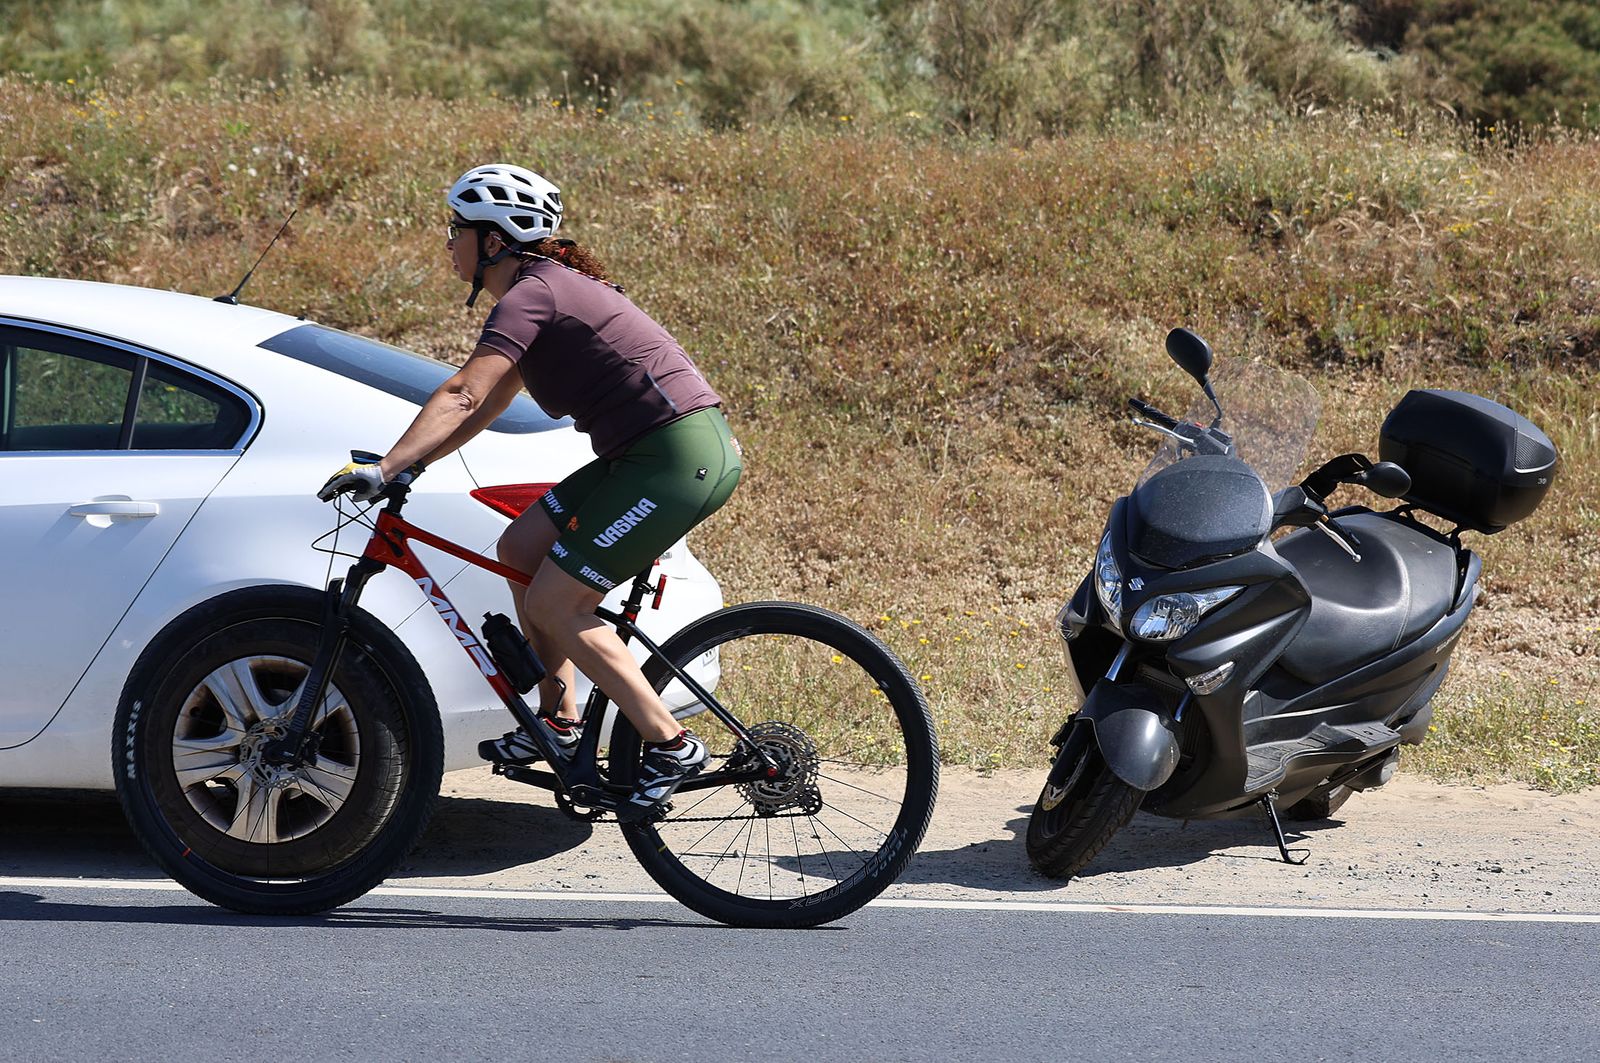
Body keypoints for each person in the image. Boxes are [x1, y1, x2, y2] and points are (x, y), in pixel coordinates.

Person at [318, 162, 742, 822]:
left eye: (456, 228)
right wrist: (413, 462)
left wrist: (388, 465)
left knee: (558, 601)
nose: (448, 241)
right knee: (520, 547)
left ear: (494, 239)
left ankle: (672, 743)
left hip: (676, 457)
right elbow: (483, 404)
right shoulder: (539, 292)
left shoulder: (533, 294)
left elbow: (461, 390)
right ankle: (559, 719)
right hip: (642, 453)